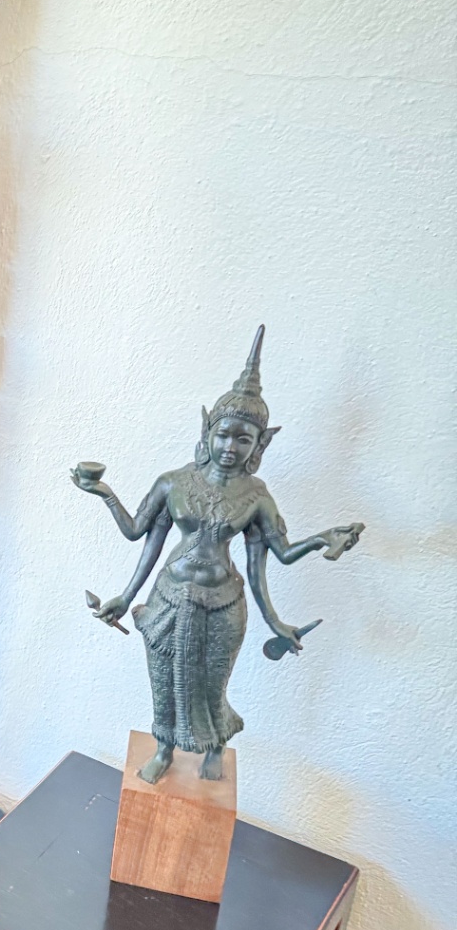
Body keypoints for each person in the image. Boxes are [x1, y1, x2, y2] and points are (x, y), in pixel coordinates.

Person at [74, 329, 364, 783]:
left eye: (244, 440)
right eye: (224, 435)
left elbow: (274, 557)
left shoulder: (256, 496)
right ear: (207, 432)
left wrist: (317, 545)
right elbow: (140, 535)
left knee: (211, 687)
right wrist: (105, 498)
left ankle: (214, 747)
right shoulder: (174, 482)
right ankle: (164, 748)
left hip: (223, 605)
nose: (231, 447)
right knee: (164, 682)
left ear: (259, 445)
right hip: (169, 600)